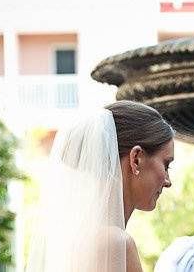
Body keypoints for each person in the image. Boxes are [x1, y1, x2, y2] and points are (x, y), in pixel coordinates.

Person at [27, 100, 175, 272]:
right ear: (136, 159)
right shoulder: (116, 243)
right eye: (166, 164)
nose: (168, 181)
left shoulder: (73, 241)